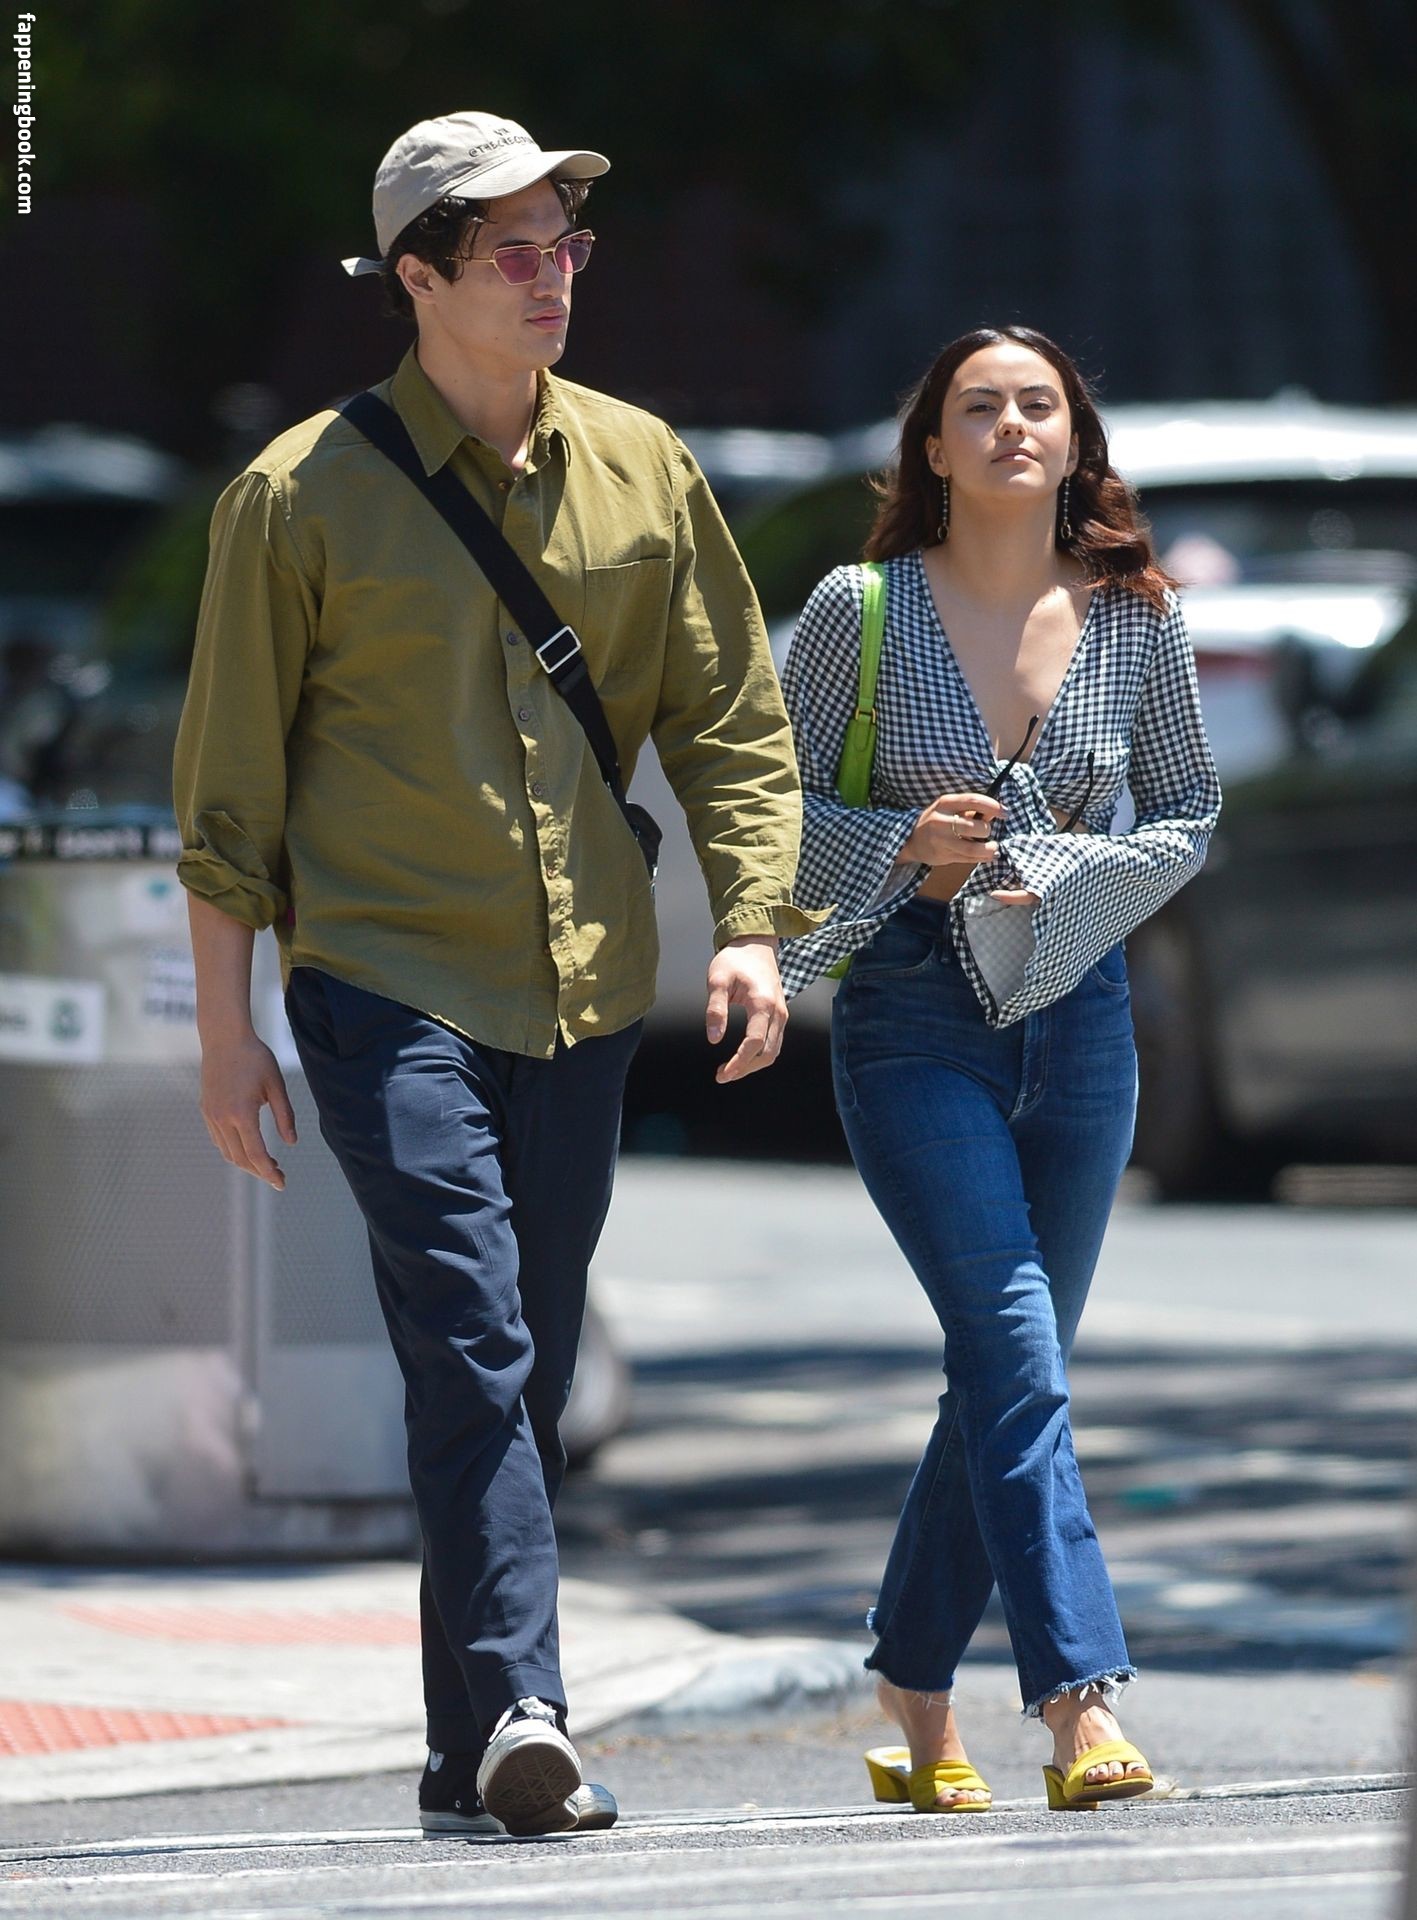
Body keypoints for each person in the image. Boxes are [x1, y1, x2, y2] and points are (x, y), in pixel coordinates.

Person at [173, 110, 818, 1838]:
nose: (553, 279)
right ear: (417, 278)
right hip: (384, 978)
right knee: (470, 1337)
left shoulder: (643, 466)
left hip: (587, 983)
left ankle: (465, 1751)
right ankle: (532, 1706)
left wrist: (751, 923)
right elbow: (228, 795)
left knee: (520, 1366)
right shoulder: (294, 495)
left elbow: (731, 718)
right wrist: (226, 1034)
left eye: (566, 246)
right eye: (514, 253)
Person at [779, 326, 1221, 1814]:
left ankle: (913, 1681)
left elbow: (1187, 814)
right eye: (979, 407)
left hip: (1079, 1014)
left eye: (1040, 404)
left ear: (1074, 440)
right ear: (933, 447)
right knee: (1017, 1353)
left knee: (1005, 1374)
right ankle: (1081, 1703)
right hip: (912, 1019)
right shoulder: (858, 610)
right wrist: (901, 844)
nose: (1012, 426)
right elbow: (763, 808)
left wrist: (1063, 875)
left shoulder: (1136, 618)